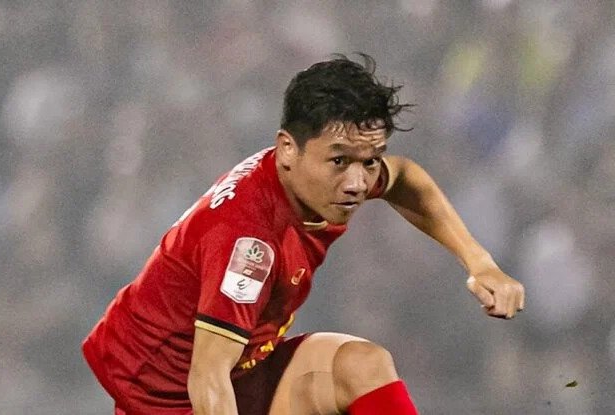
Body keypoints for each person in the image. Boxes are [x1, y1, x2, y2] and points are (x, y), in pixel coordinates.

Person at [82, 54, 525, 415]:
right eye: (340, 161)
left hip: (242, 374)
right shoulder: (249, 240)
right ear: (287, 149)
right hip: (171, 402)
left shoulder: (311, 173)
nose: (357, 183)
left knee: (362, 366)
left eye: (370, 160)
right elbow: (207, 378)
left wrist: (479, 262)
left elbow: (405, 178)